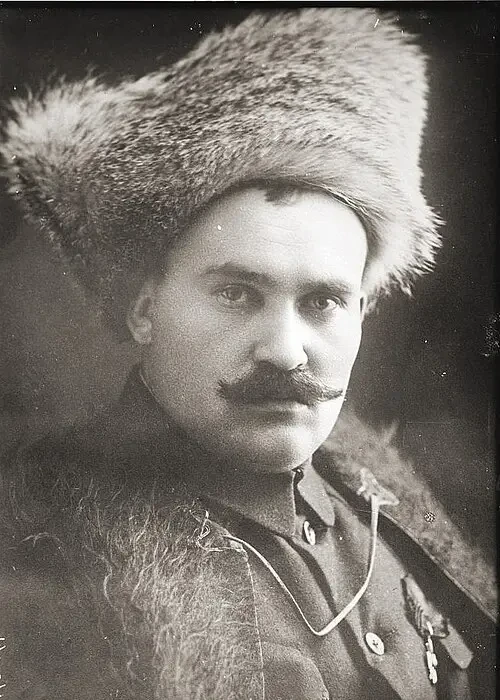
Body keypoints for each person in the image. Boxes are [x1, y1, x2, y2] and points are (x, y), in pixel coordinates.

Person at [0, 8, 495, 700]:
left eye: (323, 301)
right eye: (236, 294)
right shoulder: (44, 558)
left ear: (362, 312)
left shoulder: (384, 502)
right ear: (144, 308)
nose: (286, 352)